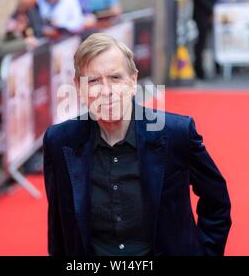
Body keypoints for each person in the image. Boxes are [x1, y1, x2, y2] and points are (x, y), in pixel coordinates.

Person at [43, 33, 232, 256]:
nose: (106, 91)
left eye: (115, 78)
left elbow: (216, 201)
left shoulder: (176, 133)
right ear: (78, 87)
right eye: (93, 81)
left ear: (133, 81)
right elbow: (59, 223)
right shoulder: (59, 142)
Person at [191, 0, 214, 79]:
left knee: (203, 43)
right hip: (201, 16)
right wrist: (212, 10)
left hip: (205, 16)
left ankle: (200, 68)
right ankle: (198, 68)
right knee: (200, 43)